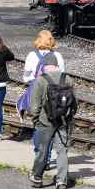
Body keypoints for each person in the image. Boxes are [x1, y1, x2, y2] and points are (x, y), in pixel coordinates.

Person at [28, 52, 77, 189]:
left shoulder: (41, 80)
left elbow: (35, 104)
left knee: (42, 151)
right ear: (56, 64)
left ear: (43, 65)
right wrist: (68, 117)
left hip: (45, 121)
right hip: (62, 121)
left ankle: (37, 177)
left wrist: (36, 120)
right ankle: (61, 181)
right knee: (62, 151)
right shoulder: (67, 78)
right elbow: (74, 102)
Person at [23, 30, 65, 169]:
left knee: (37, 125)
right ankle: (47, 158)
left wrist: (36, 79)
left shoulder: (31, 55)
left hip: (37, 92)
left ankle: (38, 155)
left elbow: (25, 78)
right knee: (51, 125)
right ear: (51, 40)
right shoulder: (57, 55)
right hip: (53, 94)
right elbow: (62, 75)